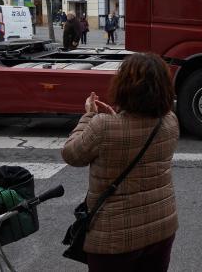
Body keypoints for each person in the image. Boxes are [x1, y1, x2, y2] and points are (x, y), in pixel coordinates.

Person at [62, 53, 180, 272]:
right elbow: (135, 133)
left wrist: (89, 117)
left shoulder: (103, 127)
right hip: (161, 228)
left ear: (124, 86)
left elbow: (71, 154)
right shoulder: (170, 121)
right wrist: (114, 117)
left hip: (114, 238)